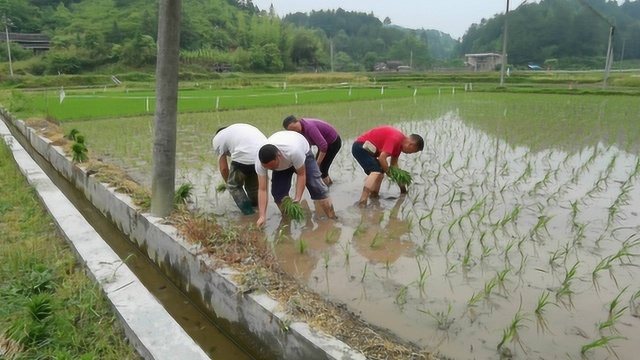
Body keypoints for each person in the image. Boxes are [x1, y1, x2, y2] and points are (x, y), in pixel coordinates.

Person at [255, 130, 336, 227]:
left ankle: (333, 219)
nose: (271, 170)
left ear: (279, 156)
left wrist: (298, 197)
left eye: (273, 167)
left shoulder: (293, 151)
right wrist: (262, 216)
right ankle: (287, 222)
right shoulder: (260, 163)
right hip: (284, 159)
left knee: (317, 187)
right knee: (278, 195)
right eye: (268, 168)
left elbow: (301, 175)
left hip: (302, 152)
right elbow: (262, 189)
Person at [351, 126, 424, 207]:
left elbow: (394, 167)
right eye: (411, 152)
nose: (409, 153)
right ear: (410, 145)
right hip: (360, 146)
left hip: (369, 150)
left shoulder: (399, 147)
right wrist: (388, 172)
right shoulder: (395, 138)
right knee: (376, 171)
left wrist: (403, 189)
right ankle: (363, 200)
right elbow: (382, 158)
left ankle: (374, 195)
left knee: (380, 173)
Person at [212, 123, 266, 215]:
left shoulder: (218, 138)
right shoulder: (237, 130)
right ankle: (258, 211)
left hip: (245, 154)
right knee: (253, 187)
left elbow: (224, 168)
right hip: (264, 154)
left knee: (234, 186)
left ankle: (249, 214)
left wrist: (229, 184)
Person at [282, 115, 342, 186]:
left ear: (298, 121)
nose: (295, 131)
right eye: (292, 131)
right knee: (319, 169)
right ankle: (328, 185)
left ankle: (328, 189)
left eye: (295, 128)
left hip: (333, 142)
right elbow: (306, 145)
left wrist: (318, 163)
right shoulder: (299, 131)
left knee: (322, 169)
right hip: (323, 143)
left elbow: (323, 145)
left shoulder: (310, 128)